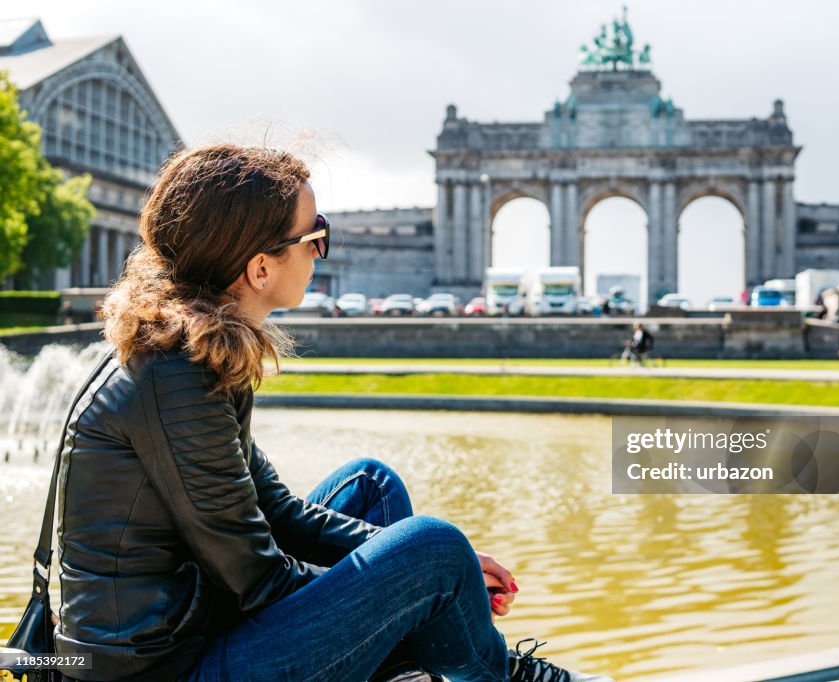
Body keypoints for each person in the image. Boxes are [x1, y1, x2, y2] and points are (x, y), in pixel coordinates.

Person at [53, 144, 613, 682]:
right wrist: (410, 591)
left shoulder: (189, 351)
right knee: (430, 549)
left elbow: (279, 513)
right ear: (259, 269)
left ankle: (414, 664)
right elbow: (258, 578)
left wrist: (434, 576)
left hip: (197, 627)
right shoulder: (177, 377)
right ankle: (499, 674)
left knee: (371, 486)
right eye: (314, 235)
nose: (323, 248)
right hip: (169, 668)